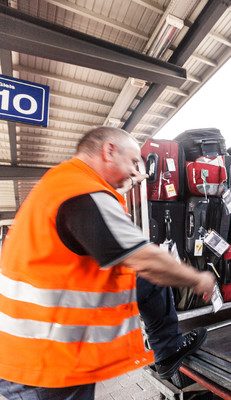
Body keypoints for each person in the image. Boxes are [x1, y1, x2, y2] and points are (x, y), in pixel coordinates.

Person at [0, 127, 216, 399]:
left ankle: (168, 350)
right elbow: (145, 259)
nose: (136, 169)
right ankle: (167, 349)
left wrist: (124, 182)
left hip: (41, 349)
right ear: (109, 150)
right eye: (133, 160)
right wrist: (198, 279)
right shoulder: (82, 192)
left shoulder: (63, 183)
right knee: (151, 269)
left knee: (146, 280)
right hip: (46, 362)